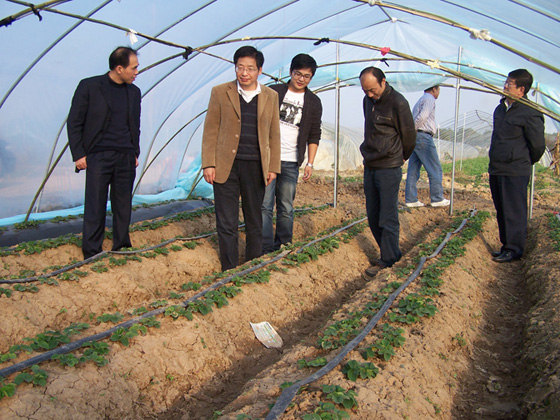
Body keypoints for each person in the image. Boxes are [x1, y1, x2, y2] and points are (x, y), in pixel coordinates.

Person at [202, 45, 281, 271]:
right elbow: (210, 129)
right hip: (225, 166)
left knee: (254, 218)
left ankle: (252, 267)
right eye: (240, 67)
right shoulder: (220, 92)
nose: (244, 73)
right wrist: (209, 163)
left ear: (260, 70)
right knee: (226, 221)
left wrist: (273, 167)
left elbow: (274, 133)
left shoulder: (270, 96)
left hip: (256, 166)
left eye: (250, 69)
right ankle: (229, 268)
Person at [67, 46, 141, 260]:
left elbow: (135, 125)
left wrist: (134, 152)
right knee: (95, 203)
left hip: (125, 155)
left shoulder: (134, 92)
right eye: (133, 68)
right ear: (119, 68)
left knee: (123, 203)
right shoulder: (90, 86)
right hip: (98, 155)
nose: (136, 72)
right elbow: (74, 122)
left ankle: (122, 246)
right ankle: (92, 250)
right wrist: (79, 154)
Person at [262, 53, 322, 253]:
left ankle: (283, 245)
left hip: (291, 161)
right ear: (290, 72)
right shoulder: (274, 92)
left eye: (306, 76)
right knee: (265, 205)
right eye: (298, 74)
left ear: (311, 77)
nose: (301, 79)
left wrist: (310, 163)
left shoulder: (313, 102)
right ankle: (264, 247)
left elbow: (314, 134)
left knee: (286, 206)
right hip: (268, 159)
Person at [359, 67, 416, 277]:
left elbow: (409, 136)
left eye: (373, 90)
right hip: (371, 164)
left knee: (387, 215)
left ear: (383, 81)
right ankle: (388, 254)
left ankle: (389, 259)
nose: (369, 94)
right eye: (365, 90)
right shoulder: (367, 101)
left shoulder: (398, 102)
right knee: (373, 214)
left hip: (389, 166)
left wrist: (400, 156)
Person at [489, 69, 545, 263]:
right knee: (502, 209)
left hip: (515, 169)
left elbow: (537, 146)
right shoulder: (500, 109)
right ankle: (506, 246)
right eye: (506, 82)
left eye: (509, 84)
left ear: (521, 89)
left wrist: (522, 160)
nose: (505, 86)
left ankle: (514, 250)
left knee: (514, 211)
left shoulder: (530, 112)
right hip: (497, 167)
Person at [405, 85, 450, 207]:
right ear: (434, 89)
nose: (438, 93)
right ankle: (437, 198)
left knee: (413, 169)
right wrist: (414, 129)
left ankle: (411, 199)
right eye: (439, 90)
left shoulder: (420, 100)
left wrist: (411, 133)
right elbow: (423, 116)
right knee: (435, 167)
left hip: (416, 137)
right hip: (423, 136)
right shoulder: (429, 99)